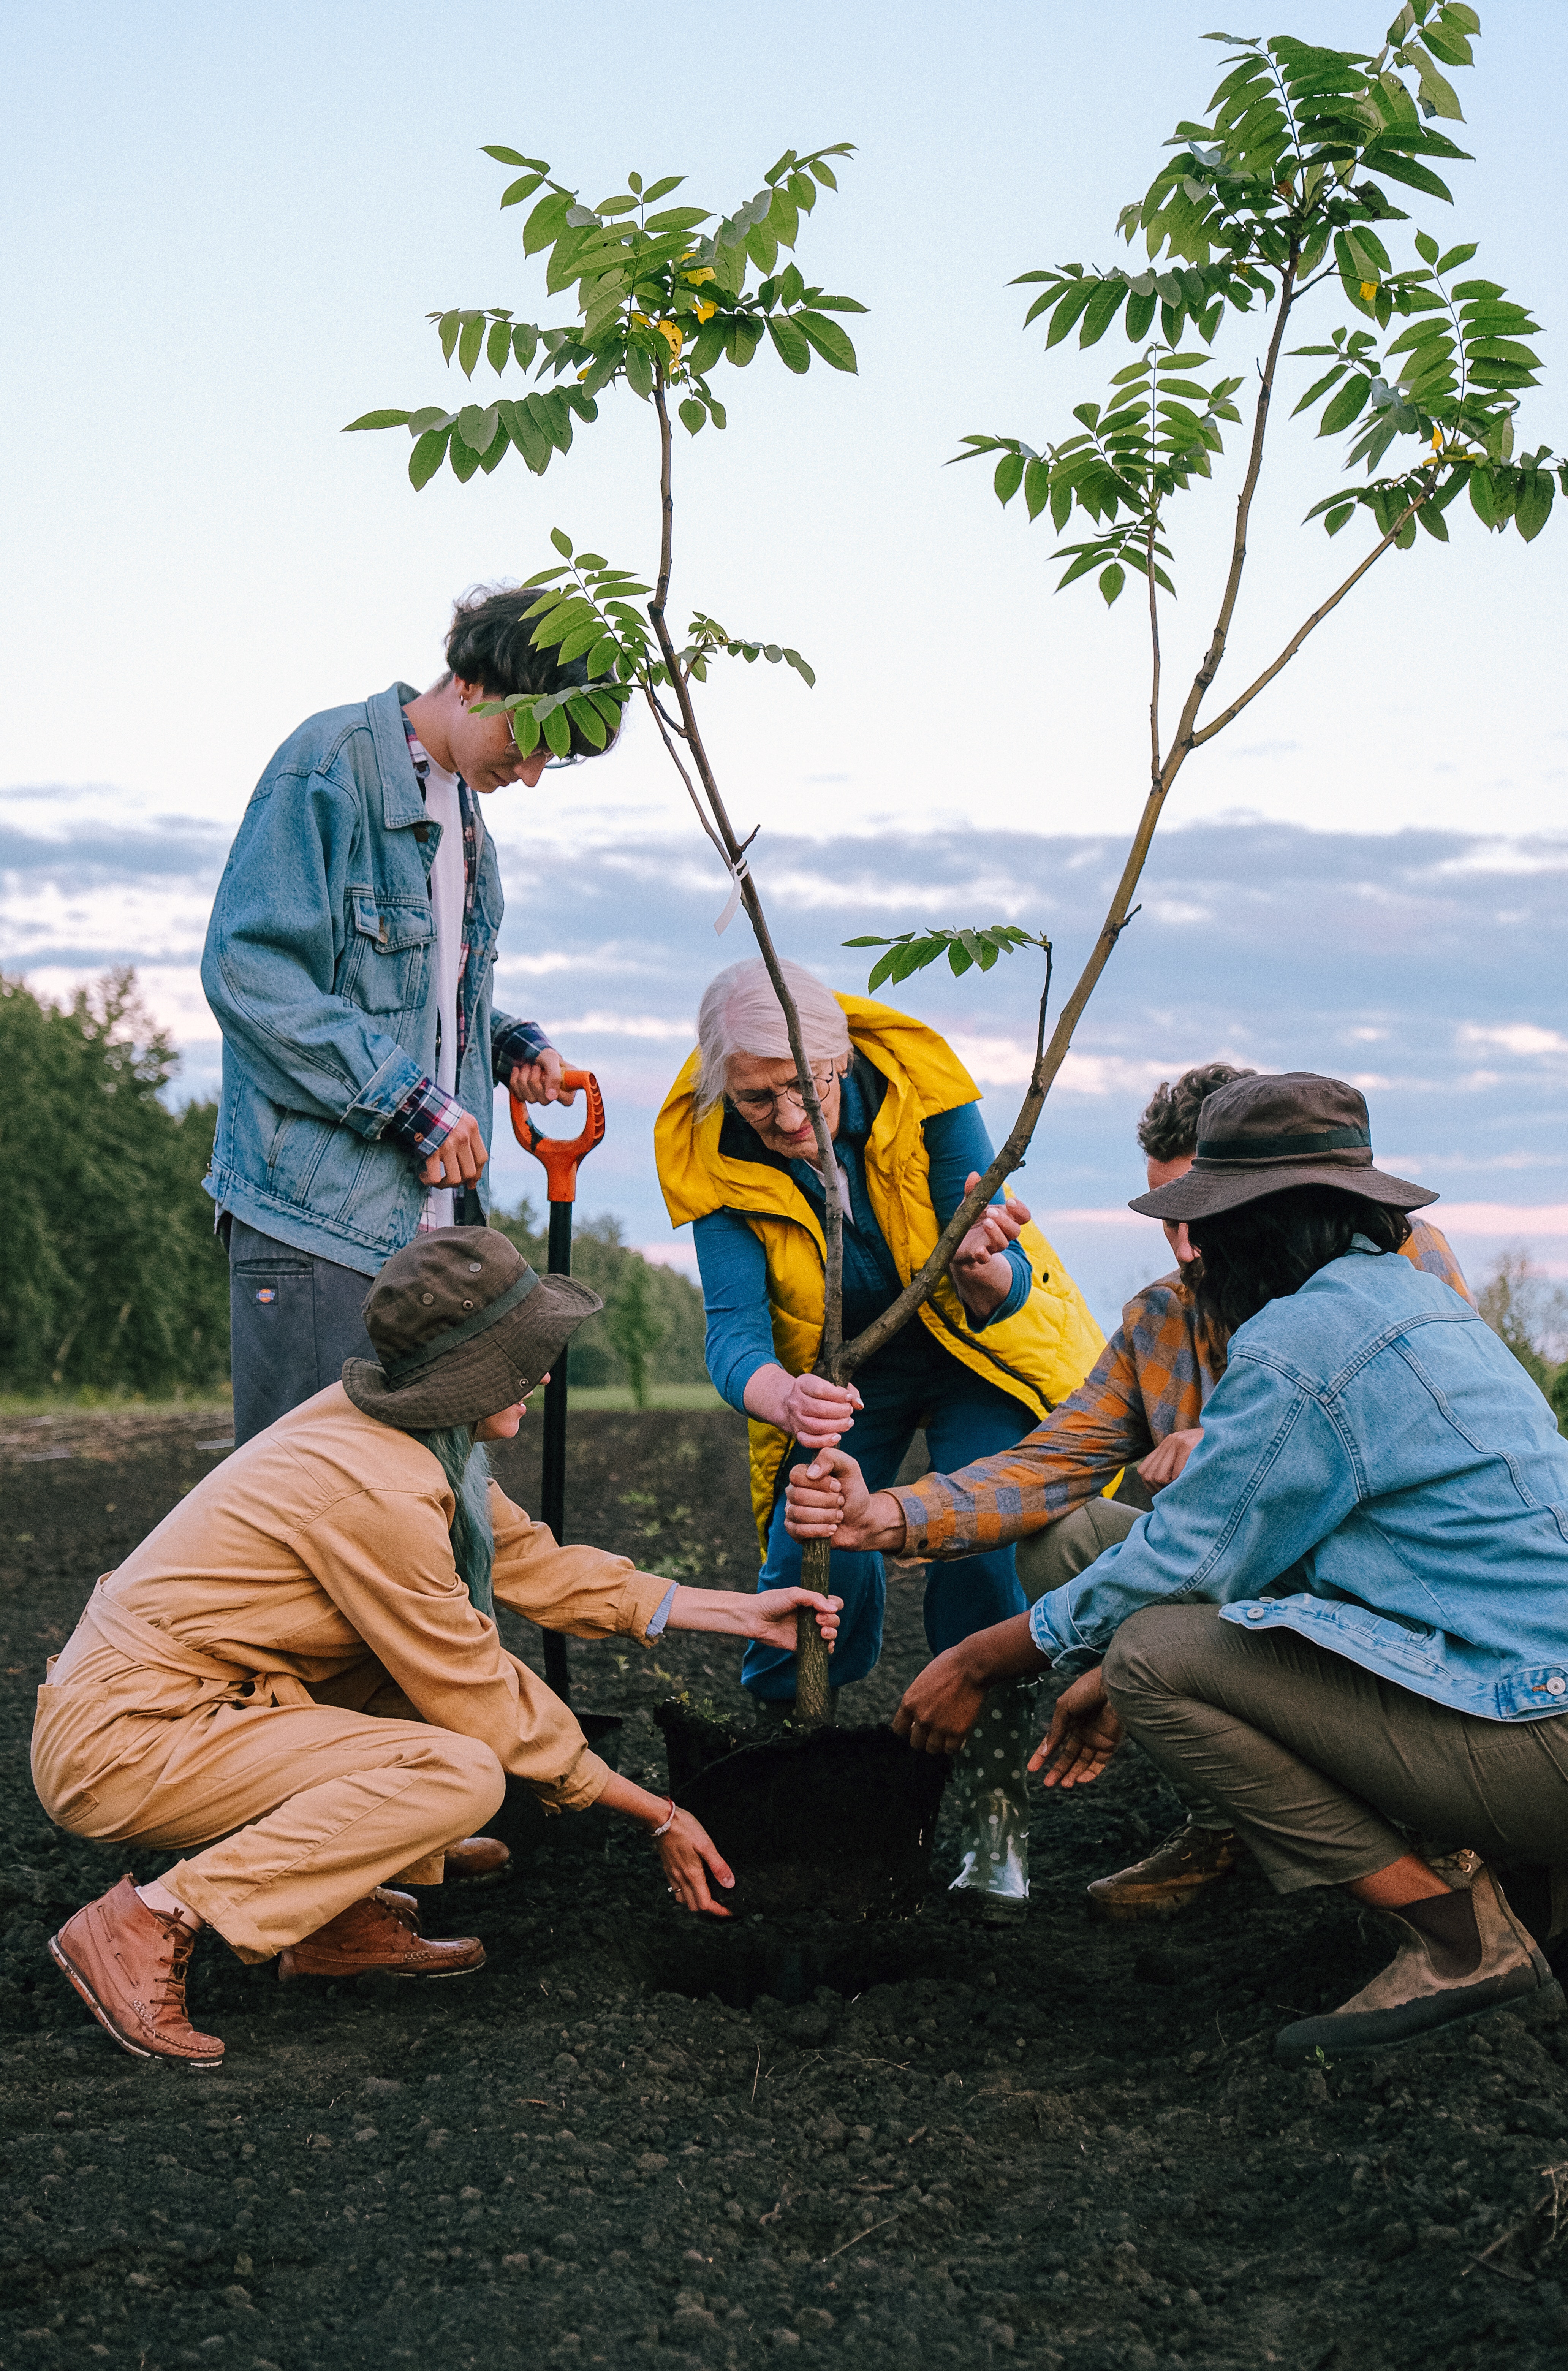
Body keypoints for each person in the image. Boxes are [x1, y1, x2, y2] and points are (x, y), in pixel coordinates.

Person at [885, 1072, 1568, 2063]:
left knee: (1157, 1659)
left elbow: (1187, 1560)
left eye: (1209, 1227)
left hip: (1550, 1734)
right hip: (1542, 1693)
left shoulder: (1303, 1341)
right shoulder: (1422, 1309)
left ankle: (1463, 1942)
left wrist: (985, 1659)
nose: (1197, 1253)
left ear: (1260, 1229)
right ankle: (1540, 1891)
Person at [36, 1228, 841, 2069]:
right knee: (458, 1771)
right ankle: (149, 1921)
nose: (544, 1374)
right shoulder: (376, 1487)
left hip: (211, 1702)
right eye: (525, 1357)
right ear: (472, 1372)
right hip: (124, 1737)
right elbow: (474, 1686)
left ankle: (330, 1919)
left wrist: (743, 1614)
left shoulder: (423, 1443)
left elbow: (536, 1564)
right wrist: (659, 1815)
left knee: (403, 1694)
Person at [786, 1063, 1474, 1921]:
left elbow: (1420, 1445)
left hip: (1390, 1598)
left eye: (1204, 1212)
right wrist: (885, 1514)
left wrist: (1239, 1445)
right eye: (1169, 1217)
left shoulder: (1398, 1266)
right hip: (1230, 1594)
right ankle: (1222, 1817)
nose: (1187, 1245)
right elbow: (1049, 1465)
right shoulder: (1163, 1319)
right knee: (1060, 1535)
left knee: (1153, 1639)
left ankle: (1443, 1836)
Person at [654, 957, 1105, 1900]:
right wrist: (783, 1397)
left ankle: (990, 1818)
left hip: (969, 1351)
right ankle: (792, 1773)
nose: (782, 1121)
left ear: (843, 1060)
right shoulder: (708, 1145)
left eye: (798, 1092)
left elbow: (999, 1281)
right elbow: (732, 1334)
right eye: (754, 1099)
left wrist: (985, 1268)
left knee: (978, 1546)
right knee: (812, 1545)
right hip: (835, 1377)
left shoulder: (924, 1087)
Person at [202, 583, 612, 1447]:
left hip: (433, 1232)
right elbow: (252, 971)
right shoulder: (330, 764)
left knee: (426, 1509)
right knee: (313, 1507)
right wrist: (411, 1104)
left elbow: (420, 997)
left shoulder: (466, 815)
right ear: (470, 681)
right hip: (317, 1220)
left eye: (557, 759)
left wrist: (507, 1044)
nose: (533, 774)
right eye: (530, 740)